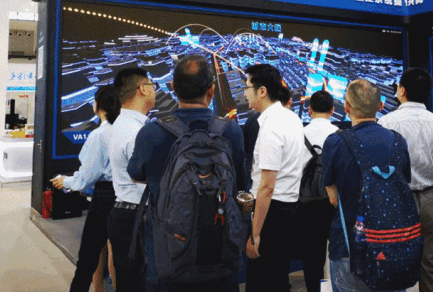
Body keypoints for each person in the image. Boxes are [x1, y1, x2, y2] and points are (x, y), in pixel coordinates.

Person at [128, 54, 246, 292]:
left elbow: (135, 174)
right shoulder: (231, 132)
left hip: (168, 259)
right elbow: (240, 183)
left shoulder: (151, 133)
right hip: (221, 258)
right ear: (211, 91)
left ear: (173, 87)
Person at [324, 78, 412, 292]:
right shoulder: (398, 141)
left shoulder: (335, 143)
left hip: (349, 245)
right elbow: (403, 187)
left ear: (346, 108)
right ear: (380, 106)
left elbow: (333, 198)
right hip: (393, 243)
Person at [376, 69, 433, 292]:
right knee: (429, 259)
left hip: (397, 200)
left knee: (392, 257)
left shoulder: (385, 122)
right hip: (429, 199)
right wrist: (432, 162)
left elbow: (379, 165)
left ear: (402, 91)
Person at [51, 85, 120, 292]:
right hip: (124, 197)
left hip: (104, 198)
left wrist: (67, 181)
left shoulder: (99, 135)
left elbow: (88, 175)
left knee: (88, 256)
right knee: (118, 255)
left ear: (99, 106)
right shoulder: (125, 131)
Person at [243, 64, 304, 292]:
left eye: (247, 87)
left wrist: (255, 234)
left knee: (261, 281)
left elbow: (267, 186)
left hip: (271, 214)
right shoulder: (292, 118)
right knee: (278, 277)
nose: (245, 93)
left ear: (262, 91)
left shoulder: (271, 126)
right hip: (288, 210)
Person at [108, 67, 155, 292]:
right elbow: (145, 175)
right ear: (142, 89)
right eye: (152, 85)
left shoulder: (124, 124)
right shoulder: (136, 132)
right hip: (137, 218)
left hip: (128, 214)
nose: (155, 90)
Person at [299, 90, 338, 292]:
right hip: (334, 202)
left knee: (312, 256)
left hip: (307, 202)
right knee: (338, 252)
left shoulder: (299, 134)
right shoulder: (339, 134)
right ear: (332, 110)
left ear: (310, 110)